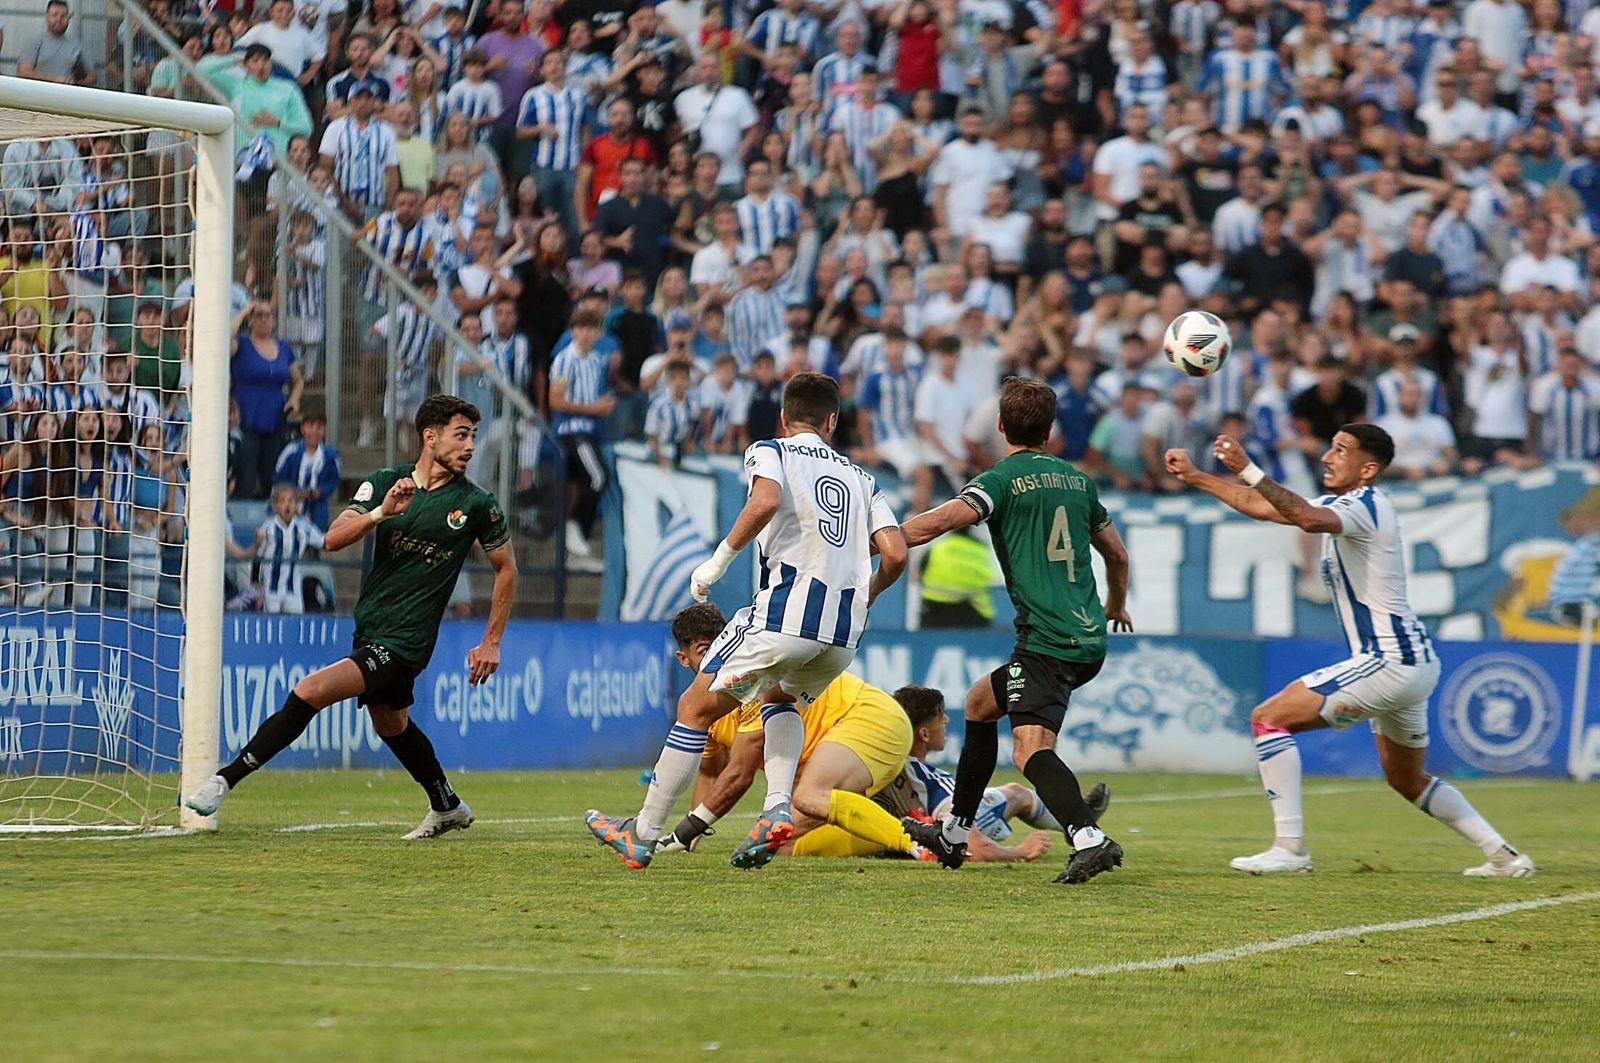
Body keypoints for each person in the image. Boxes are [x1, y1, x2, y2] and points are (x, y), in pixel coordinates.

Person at [1165, 424, 1533, 877]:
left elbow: (1306, 519)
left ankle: (1291, 848)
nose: (1327, 456)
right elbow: (1262, 507)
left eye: (1341, 450)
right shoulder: (1349, 504)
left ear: (1368, 468)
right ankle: (1504, 856)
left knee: (1268, 717)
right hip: (1414, 662)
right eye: (1331, 445)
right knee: (1406, 779)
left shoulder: (1364, 505)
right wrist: (1198, 476)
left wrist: (1248, 467)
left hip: (1389, 661)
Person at [585, 373, 908, 870]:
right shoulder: (864, 479)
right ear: (832, 421)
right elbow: (895, 554)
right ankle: (777, 805)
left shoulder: (772, 450)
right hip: (842, 636)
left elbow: (765, 500)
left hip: (785, 615)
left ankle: (643, 834)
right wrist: (865, 597)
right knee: (777, 700)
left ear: (783, 417)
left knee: (694, 706)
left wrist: (715, 562)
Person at [185, 395, 518, 838]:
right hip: (372, 630)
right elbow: (333, 538)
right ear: (430, 436)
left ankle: (225, 779)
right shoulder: (386, 482)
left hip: (406, 641)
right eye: (461, 435)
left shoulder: (477, 504)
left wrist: (492, 640)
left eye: (473, 436)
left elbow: (507, 568)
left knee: (311, 690)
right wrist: (382, 512)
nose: (470, 446)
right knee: (391, 724)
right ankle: (447, 805)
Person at [898, 378, 1133, 885]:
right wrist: (1117, 604)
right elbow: (1116, 553)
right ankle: (956, 833)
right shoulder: (1078, 482)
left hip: (1048, 641)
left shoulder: (1001, 479)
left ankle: (1089, 838)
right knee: (981, 703)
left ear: (1001, 425)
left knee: (1029, 749)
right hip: (1088, 635)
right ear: (1051, 432)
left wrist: (881, 542)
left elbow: (943, 521)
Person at [649, 603, 922, 861]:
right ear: (683, 659)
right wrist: (688, 840)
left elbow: (737, 777)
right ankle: (900, 823)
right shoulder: (703, 710)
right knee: (781, 844)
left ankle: (917, 843)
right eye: (704, 651)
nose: (716, 659)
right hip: (836, 746)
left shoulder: (750, 682)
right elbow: (710, 772)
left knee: (806, 798)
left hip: (867, 717)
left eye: (720, 647)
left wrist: (681, 833)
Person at [888, 685, 1111, 862]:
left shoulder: (882, 763)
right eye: (940, 716)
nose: (946, 721)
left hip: (896, 832)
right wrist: (1021, 851)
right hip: (937, 829)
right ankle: (1078, 822)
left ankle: (1076, 819)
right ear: (924, 734)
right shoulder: (934, 786)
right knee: (1016, 794)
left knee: (1010, 792)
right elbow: (973, 849)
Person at [272, 407, 342, 528]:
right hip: (291, 503)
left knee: (315, 535)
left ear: (324, 430)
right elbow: (278, 477)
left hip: (318, 507)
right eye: (310, 426)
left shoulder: (331, 455)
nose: (314, 431)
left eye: (319, 427)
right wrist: (294, 491)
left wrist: (321, 491)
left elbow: (334, 480)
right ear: (303, 428)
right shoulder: (291, 451)